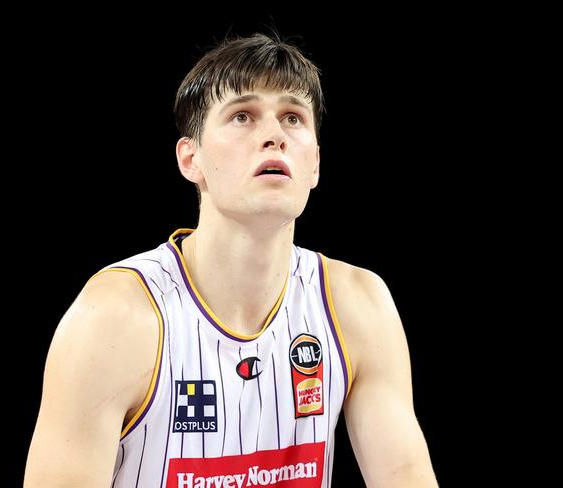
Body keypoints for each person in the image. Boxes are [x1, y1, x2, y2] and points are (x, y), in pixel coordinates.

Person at [24, 32, 438, 487]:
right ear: (191, 159)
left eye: (293, 118)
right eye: (243, 116)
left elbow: (405, 476)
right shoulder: (115, 318)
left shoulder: (359, 303)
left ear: (315, 164)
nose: (274, 136)